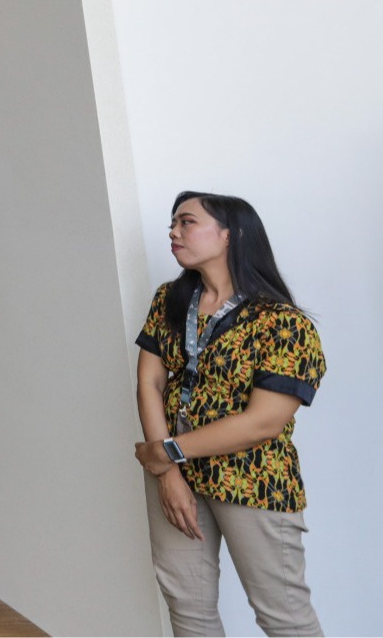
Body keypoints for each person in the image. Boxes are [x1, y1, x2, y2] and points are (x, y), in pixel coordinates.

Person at [131, 192, 325, 636]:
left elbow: (264, 422)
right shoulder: (170, 300)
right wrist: (168, 472)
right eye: (172, 224)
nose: (173, 232)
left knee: (283, 615)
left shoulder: (284, 324)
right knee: (187, 604)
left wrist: (168, 451)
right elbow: (150, 382)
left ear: (229, 235)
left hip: (250, 479)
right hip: (174, 474)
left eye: (187, 222)